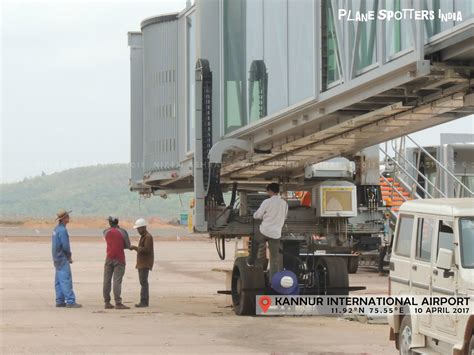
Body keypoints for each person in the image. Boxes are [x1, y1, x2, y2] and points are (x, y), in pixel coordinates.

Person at [248, 183, 288, 280]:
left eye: (267, 191)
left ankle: (251, 262)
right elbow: (285, 216)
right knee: (274, 258)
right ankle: (273, 280)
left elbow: (258, 215)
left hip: (264, 231)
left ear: (270, 191)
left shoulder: (267, 202)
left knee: (255, 242)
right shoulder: (285, 204)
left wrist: (254, 215)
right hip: (276, 234)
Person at [51, 209, 81, 308]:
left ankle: (59, 300)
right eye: (67, 217)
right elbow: (65, 246)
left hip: (56, 258)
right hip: (62, 257)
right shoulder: (63, 230)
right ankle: (70, 301)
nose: (69, 218)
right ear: (64, 219)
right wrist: (69, 256)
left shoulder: (56, 229)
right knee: (66, 279)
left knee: (58, 280)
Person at [103, 216, 132, 310]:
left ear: (110, 223)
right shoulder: (123, 232)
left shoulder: (105, 232)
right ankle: (118, 303)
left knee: (107, 280)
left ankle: (107, 302)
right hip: (119, 258)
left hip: (109, 257)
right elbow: (128, 245)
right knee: (117, 281)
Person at [130, 218, 154, 307]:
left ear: (144, 227)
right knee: (143, 282)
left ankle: (144, 301)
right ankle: (144, 301)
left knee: (143, 282)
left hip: (145, 263)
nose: (138, 231)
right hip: (141, 263)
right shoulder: (144, 236)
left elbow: (146, 250)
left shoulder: (148, 237)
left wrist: (135, 248)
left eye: (139, 228)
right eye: (137, 229)